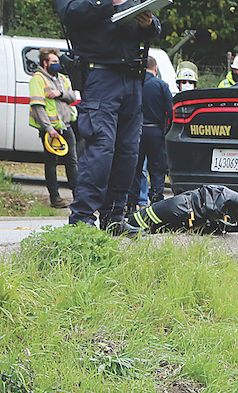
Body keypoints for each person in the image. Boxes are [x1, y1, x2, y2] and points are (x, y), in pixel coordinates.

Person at [55, 0, 161, 231]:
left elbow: (154, 26)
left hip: (133, 77)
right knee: (100, 150)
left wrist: (148, 24)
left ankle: (114, 217)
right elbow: (68, 13)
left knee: (128, 151)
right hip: (100, 75)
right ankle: (82, 219)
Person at [29, 48, 78, 208]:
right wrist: (49, 128)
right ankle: (55, 198)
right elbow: (38, 107)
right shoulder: (38, 79)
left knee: (72, 162)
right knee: (51, 163)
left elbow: (73, 96)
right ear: (45, 63)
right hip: (50, 130)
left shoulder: (62, 79)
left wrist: (60, 93)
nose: (57, 64)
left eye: (57, 61)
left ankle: (78, 197)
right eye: (54, 62)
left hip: (66, 127)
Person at [126, 55, 172, 213]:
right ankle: (157, 201)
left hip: (135, 130)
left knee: (135, 168)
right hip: (156, 131)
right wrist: (167, 130)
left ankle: (131, 203)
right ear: (156, 68)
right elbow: (170, 111)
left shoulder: (135, 84)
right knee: (157, 169)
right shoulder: (161, 85)